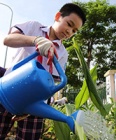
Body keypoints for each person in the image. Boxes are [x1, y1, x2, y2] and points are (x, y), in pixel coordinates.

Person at [0, 3, 86, 140]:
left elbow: (53, 82)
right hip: (8, 90)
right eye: (69, 24)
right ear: (58, 16)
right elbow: (8, 39)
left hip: (34, 101)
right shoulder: (34, 27)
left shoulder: (62, 53)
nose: (70, 32)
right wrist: (36, 40)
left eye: (74, 31)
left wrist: (31, 108)